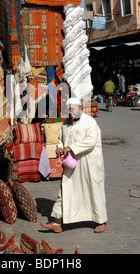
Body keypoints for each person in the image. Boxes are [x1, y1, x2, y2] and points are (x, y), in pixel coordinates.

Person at [40, 97, 108, 234]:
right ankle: (57, 221)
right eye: (68, 110)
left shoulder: (90, 122)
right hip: (72, 164)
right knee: (65, 189)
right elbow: (61, 139)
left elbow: (91, 141)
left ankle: (100, 220)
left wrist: (70, 148)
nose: (70, 112)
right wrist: (60, 147)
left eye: (72, 109)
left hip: (89, 164)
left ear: (81, 109)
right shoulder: (65, 123)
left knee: (93, 190)